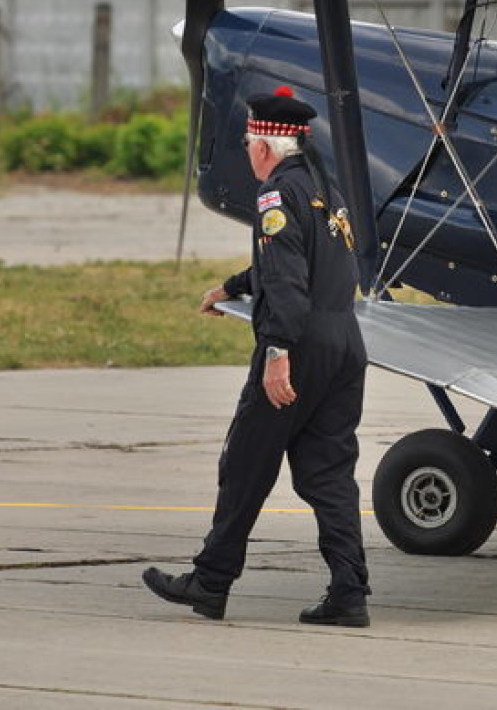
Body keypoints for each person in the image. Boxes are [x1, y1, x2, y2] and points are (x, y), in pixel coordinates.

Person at [143, 85, 371, 627]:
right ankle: (349, 592)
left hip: (301, 345)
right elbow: (301, 264)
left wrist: (277, 352)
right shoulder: (324, 187)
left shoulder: (274, 196)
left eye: (247, 142)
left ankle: (210, 582)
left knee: (245, 464)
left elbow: (289, 279)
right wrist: (233, 285)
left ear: (264, 147)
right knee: (328, 473)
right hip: (344, 343)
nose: (247, 152)